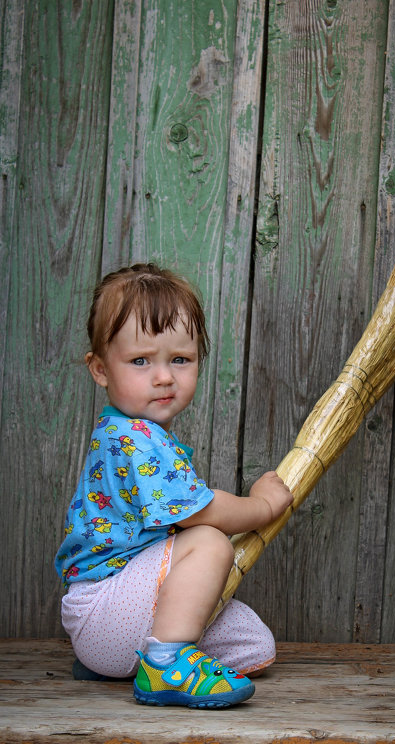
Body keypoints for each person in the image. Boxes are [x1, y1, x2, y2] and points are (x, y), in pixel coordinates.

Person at [54, 263, 293, 709]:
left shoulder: (134, 432)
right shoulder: (134, 439)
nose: (164, 376)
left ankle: (130, 660)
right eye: (140, 361)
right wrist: (261, 506)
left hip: (120, 624)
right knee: (207, 541)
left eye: (179, 359)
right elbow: (198, 513)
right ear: (101, 369)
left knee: (255, 645)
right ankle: (163, 663)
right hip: (103, 608)